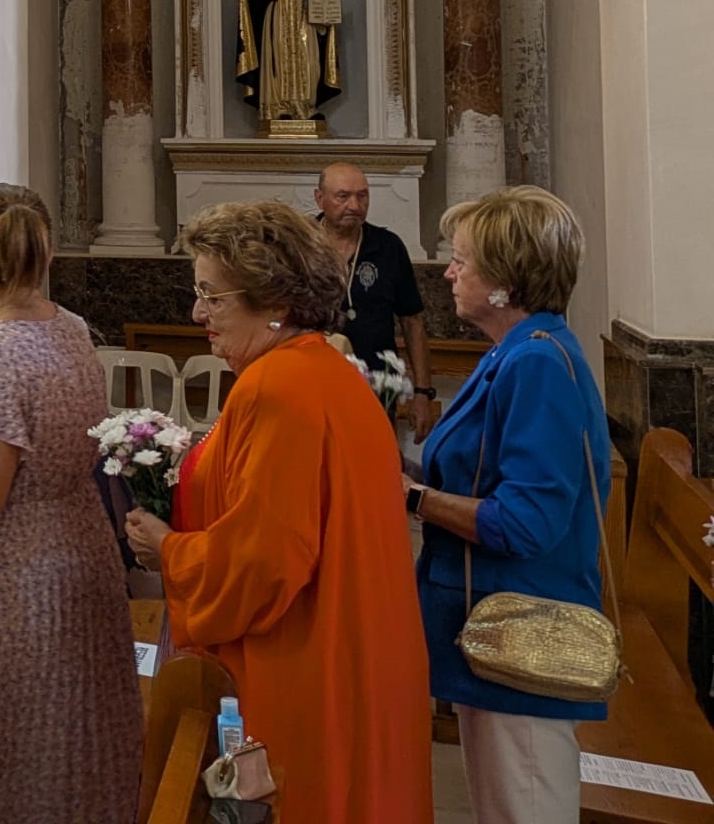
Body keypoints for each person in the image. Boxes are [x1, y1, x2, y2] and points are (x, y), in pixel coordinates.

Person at [125, 200, 432, 824]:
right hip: (348, 650)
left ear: (274, 302)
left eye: (213, 297)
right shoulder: (323, 370)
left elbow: (263, 563)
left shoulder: (279, 389)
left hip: (303, 664)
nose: (196, 313)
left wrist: (169, 549)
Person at [0, 184, 138, 822]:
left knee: (6, 759)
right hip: (79, 561)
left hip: (6, 589)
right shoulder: (71, 329)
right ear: (45, 255)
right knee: (69, 749)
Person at [410, 187, 608, 823]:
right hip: (489, 627)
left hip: (523, 632)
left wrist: (411, 497)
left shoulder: (537, 364)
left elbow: (527, 522)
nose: (449, 272)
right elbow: (476, 474)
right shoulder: (513, 352)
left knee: (525, 806)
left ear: (506, 280)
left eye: (463, 261)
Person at [314, 162, 435, 435]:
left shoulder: (388, 247)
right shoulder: (300, 243)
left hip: (376, 388)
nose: (355, 206)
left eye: (362, 196)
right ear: (320, 198)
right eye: (343, 196)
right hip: (313, 385)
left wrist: (422, 393)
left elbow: (412, 322)